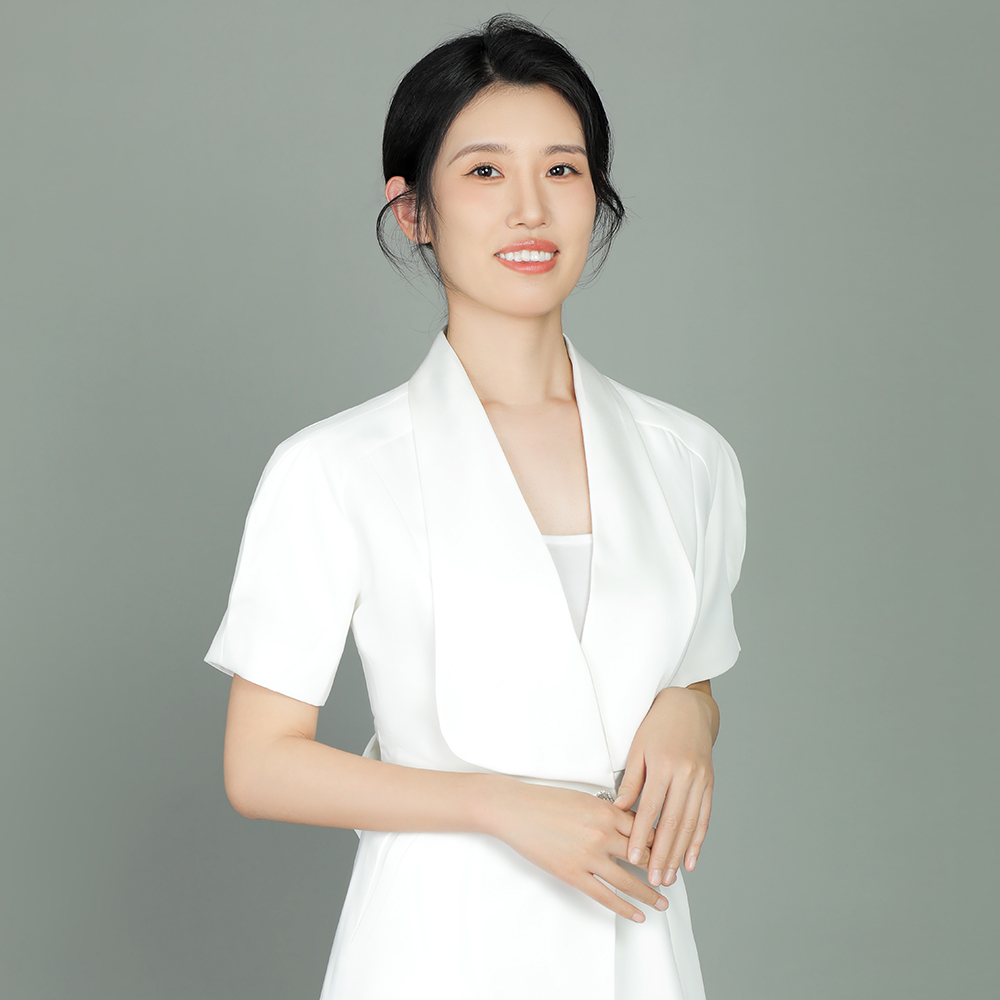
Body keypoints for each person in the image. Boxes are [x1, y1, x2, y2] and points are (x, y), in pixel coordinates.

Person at [205, 13, 746, 1000]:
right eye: (486, 171)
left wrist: (691, 713)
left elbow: (688, 672)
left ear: (597, 196)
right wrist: (499, 805)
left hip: (637, 941)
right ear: (413, 211)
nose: (530, 209)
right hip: (436, 943)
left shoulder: (690, 459)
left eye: (563, 170)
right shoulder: (334, 469)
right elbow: (261, 765)